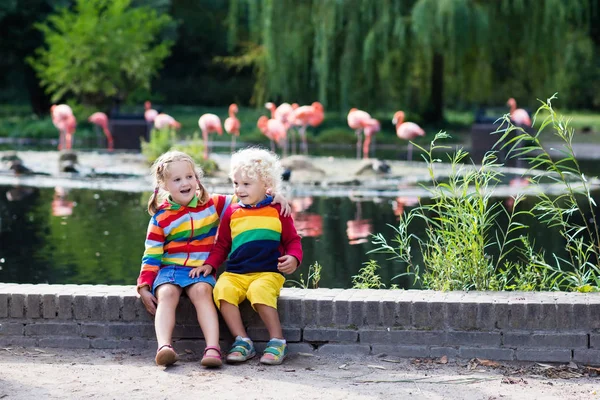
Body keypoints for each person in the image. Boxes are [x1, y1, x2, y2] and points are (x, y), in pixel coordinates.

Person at [136, 150, 290, 368]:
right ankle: (164, 347)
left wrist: (274, 196)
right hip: (169, 269)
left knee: (202, 292)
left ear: (197, 179)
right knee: (167, 294)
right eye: (177, 179)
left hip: (200, 270)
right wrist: (144, 285)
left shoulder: (211, 203)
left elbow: (247, 195)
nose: (185, 183)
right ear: (164, 185)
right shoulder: (160, 217)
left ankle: (212, 348)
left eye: (189, 177)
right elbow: (151, 255)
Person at [204, 148, 303, 366]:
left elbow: (293, 240)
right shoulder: (232, 211)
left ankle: (277, 341)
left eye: (246, 184)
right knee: (222, 289)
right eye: (236, 183)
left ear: (266, 183)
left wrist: (294, 258)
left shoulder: (278, 209)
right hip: (236, 273)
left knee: (259, 291)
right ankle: (242, 341)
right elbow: (222, 244)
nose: (239, 189)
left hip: (268, 273)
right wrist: (210, 265)